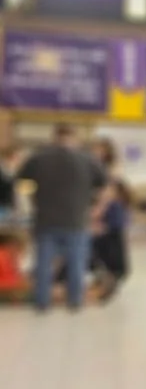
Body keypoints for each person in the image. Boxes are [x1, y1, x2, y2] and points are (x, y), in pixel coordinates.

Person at [17, 123, 106, 311]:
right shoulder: (87, 159)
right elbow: (103, 184)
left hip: (45, 219)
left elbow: (21, 181)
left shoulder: (38, 158)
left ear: (54, 136)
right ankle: (74, 301)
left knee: (43, 263)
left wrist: (32, 200)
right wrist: (93, 206)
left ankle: (42, 301)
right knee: (76, 263)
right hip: (76, 220)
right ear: (75, 137)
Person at [89, 139, 131, 299]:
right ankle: (104, 283)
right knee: (99, 252)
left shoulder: (111, 169)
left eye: (99, 150)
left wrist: (97, 211)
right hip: (98, 212)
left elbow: (109, 192)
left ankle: (111, 283)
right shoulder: (91, 169)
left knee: (113, 251)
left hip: (110, 214)